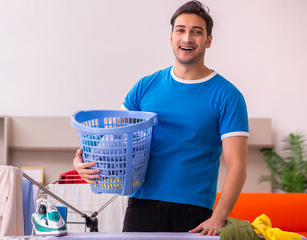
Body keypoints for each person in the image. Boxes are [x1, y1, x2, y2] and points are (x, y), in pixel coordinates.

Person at [73, 0, 248, 236]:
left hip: (194, 212)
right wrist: (81, 163)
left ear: (208, 40)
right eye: (181, 30)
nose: (187, 38)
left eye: (197, 32)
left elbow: (237, 165)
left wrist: (218, 217)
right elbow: (110, 139)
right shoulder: (146, 86)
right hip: (141, 205)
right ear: (171, 37)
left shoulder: (228, 96)